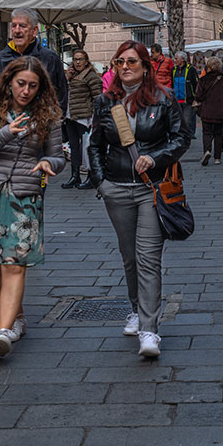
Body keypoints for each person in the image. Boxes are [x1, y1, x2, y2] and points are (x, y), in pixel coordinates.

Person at [0, 56, 65, 357]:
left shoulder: (48, 114)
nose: (26, 91)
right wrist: (7, 132)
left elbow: (59, 156)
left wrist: (49, 162)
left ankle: (3, 331)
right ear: (9, 82)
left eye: (33, 85)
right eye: (21, 84)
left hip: (25, 195)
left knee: (15, 263)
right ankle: (16, 317)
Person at [89, 41, 188, 358]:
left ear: (146, 67)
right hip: (116, 188)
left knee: (148, 258)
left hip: (151, 189)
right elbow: (94, 145)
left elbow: (181, 138)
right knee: (130, 256)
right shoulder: (105, 102)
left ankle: (149, 330)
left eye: (132, 61)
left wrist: (155, 157)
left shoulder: (164, 98)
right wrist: (101, 182)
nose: (125, 67)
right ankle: (136, 309)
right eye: (119, 62)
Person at [0, 8, 69, 115]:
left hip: (42, 121)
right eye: (14, 26)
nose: (17, 30)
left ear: (34, 30)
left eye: (22, 26)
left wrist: (54, 120)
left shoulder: (50, 59)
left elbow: (61, 96)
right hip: (6, 122)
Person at [63, 49, 103, 190]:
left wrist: (95, 119)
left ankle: (91, 178)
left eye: (80, 59)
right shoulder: (72, 76)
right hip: (71, 116)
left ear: (86, 61)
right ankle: (75, 176)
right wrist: (67, 78)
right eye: (75, 59)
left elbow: (98, 99)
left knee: (87, 148)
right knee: (74, 147)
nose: (78, 62)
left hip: (85, 118)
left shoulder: (91, 77)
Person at [195, 55, 223, 165]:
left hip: (207, 111)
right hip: (220, 112)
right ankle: (217, 158)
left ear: (208, 67)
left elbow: (198, 96)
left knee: (207, 133)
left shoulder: (203, 80)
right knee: (218, 134)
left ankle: (207, 151)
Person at [171, 51, 199, 139]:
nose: (174, 60)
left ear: (182, 59)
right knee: (179, 121)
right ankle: (182, 136)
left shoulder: (191, 69)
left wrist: (195, 98)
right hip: (177, 101)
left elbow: (196, 84)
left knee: (187, 121)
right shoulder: (173, 70)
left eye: (176, 58)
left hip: (188, 101)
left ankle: (188, 136)